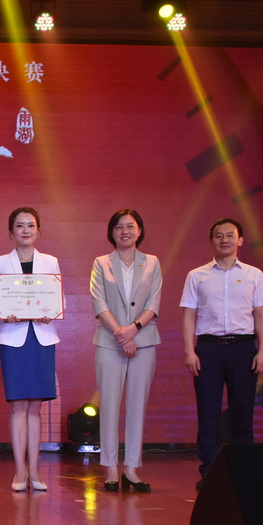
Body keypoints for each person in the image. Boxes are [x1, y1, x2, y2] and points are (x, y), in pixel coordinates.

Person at [180, 218, 263, 488]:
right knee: (207, 411)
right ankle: (209, 471)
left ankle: (243, 471)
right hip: (208, 348)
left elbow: (261, 316)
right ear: (212, 241)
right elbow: (188, 316)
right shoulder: (197, 275)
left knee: (243, 410)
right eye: (219, 236)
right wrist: (189, 351)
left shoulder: (254, 275)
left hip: (243, 348)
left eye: (230, 235)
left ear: (240, 240)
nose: (225, 240)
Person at [0, 207, 61, 492]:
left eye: (30, 225)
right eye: (19, 226)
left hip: (41, 338)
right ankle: (19, 470)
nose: (25, 230)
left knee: (35, 407)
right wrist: (4, 313)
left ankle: (36, 470)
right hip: (13, 338)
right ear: (10, 232)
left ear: (39, 230)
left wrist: (50, 312)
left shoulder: (50, 262)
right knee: (18, 406)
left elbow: (58, 300)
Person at [90, 209, 162, 494]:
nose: (125, 232)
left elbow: (153, 302)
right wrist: (122, 334)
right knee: (109, 405)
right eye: (119, 227)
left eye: (130, 227)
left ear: (139, 231)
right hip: (110, 341)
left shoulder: (152, 262)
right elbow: (99, 303)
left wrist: (133, 329)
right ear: (112, 232)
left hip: (143, 339)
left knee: (137, 406)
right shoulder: (101, 262)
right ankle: (110, 468)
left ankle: (131, 468)